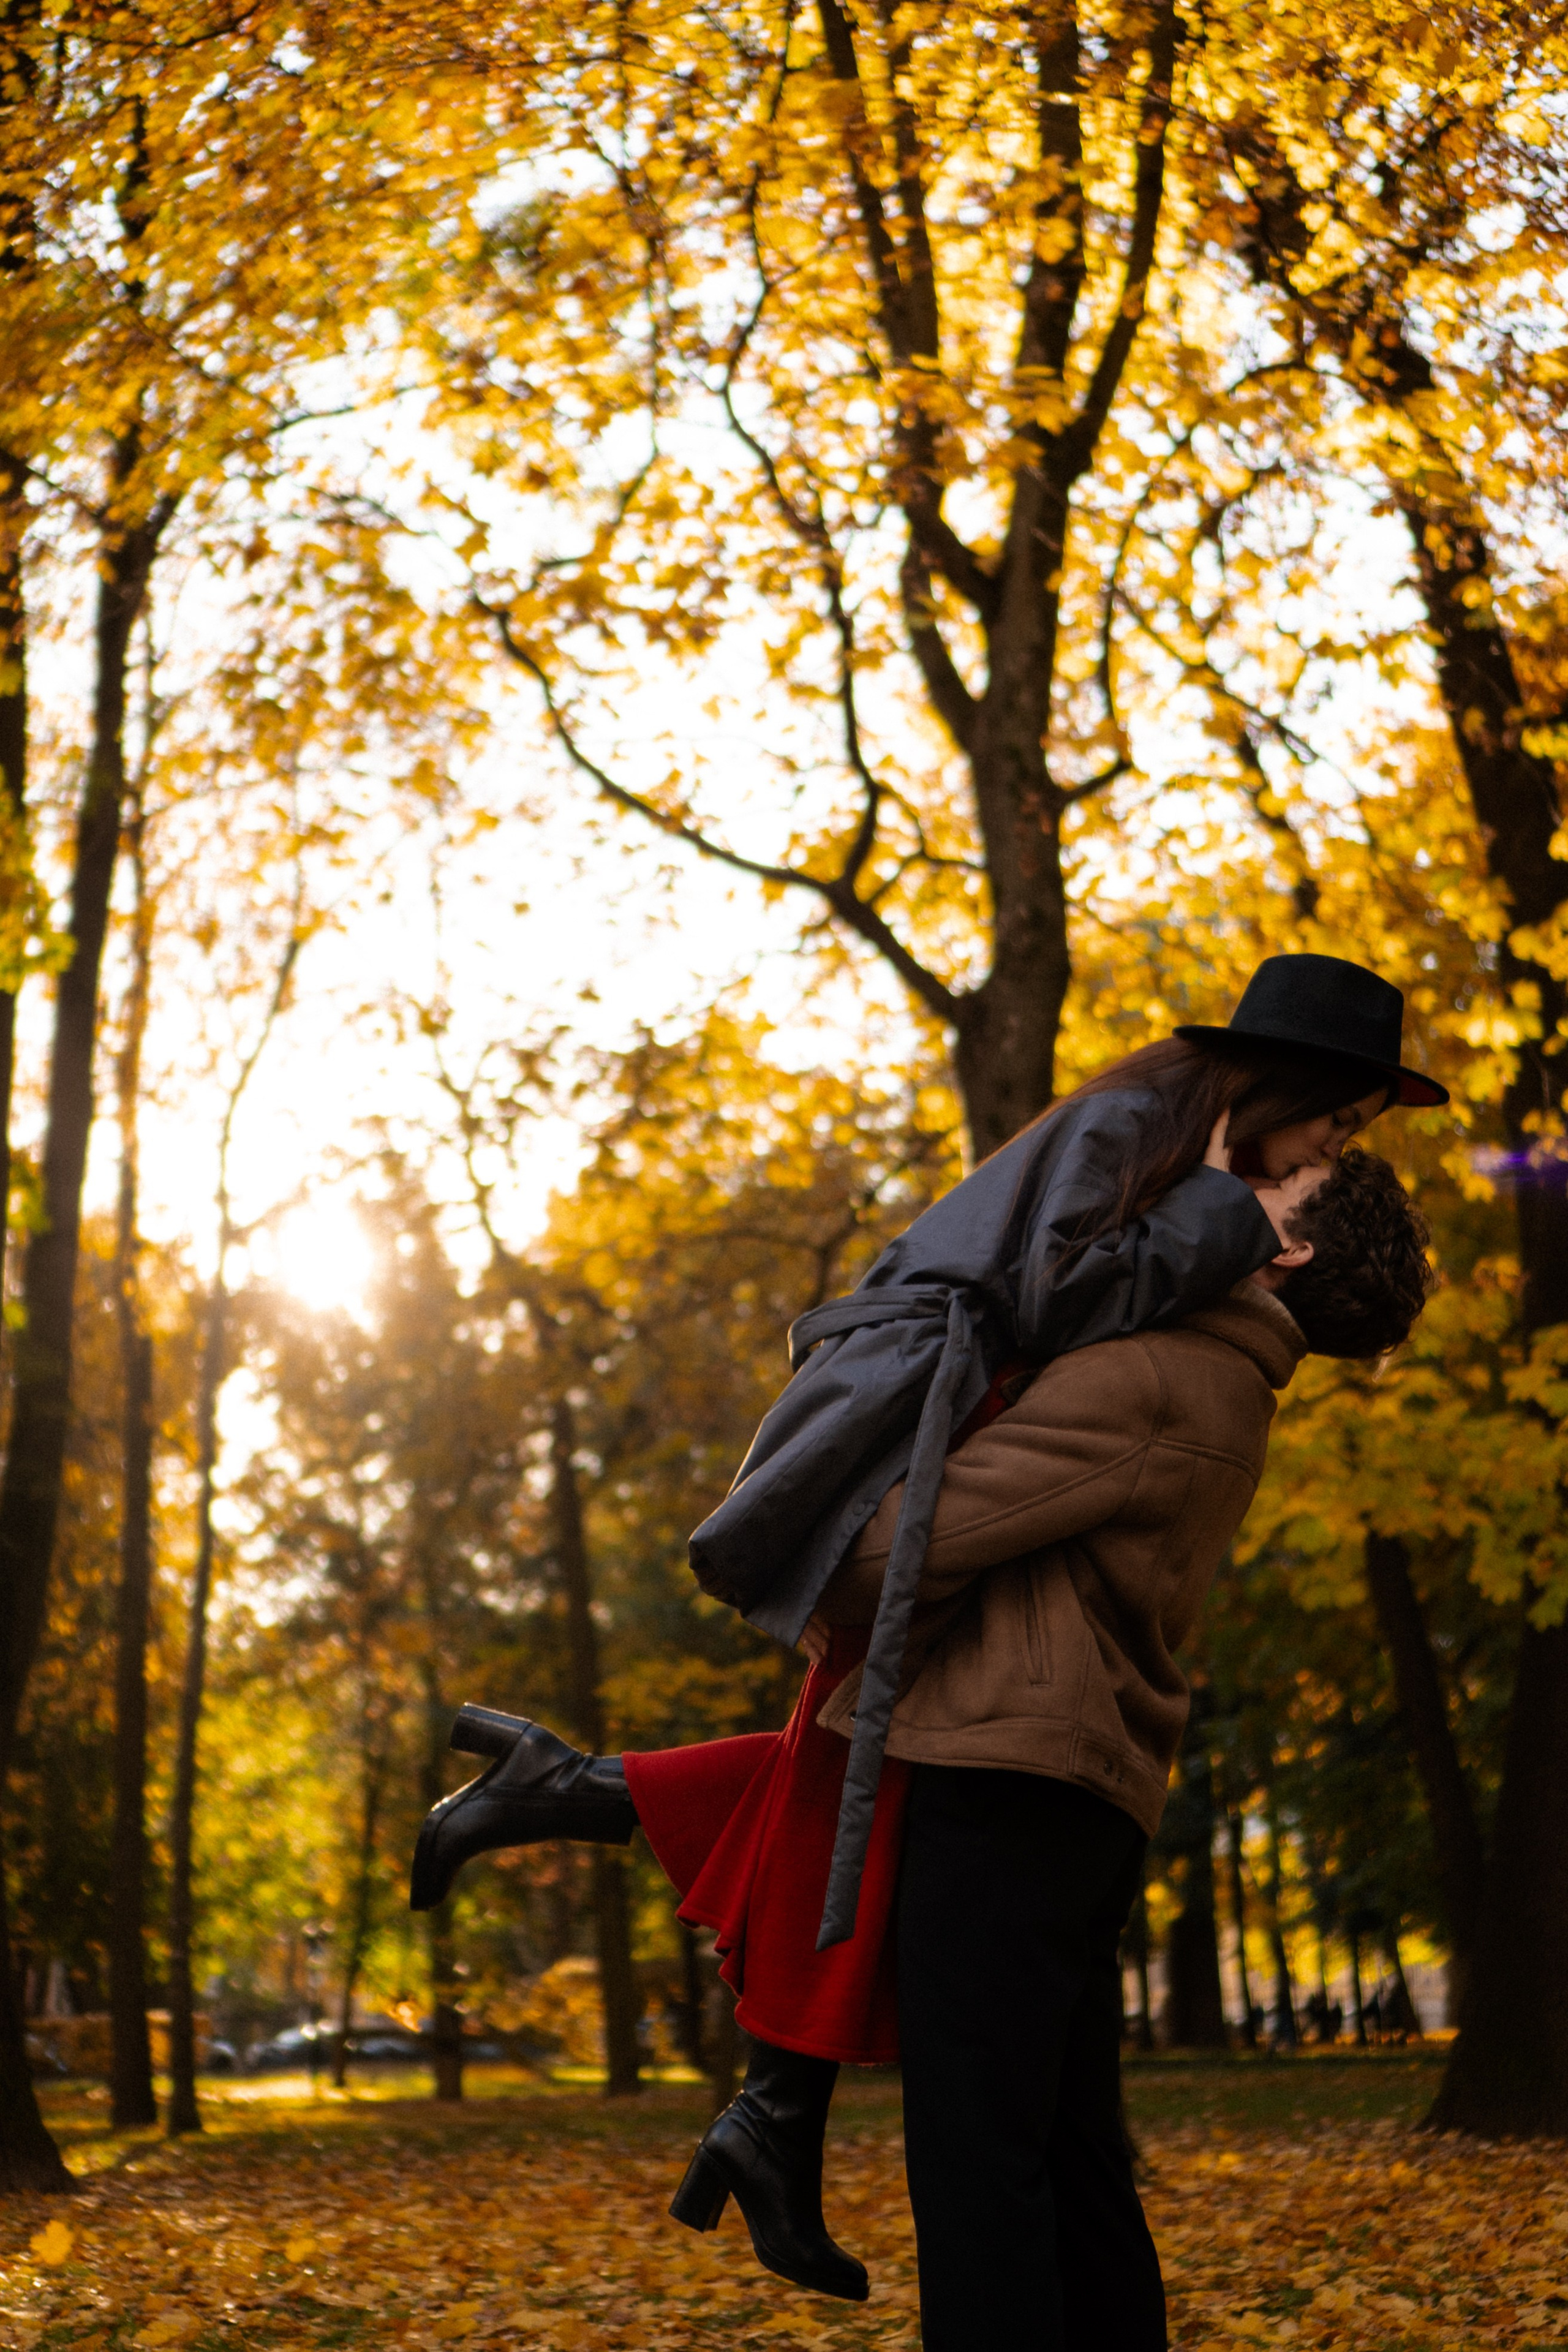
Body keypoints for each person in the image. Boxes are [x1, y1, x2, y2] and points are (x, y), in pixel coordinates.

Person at [409, 955, 1444, 2311]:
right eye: (1327, 1125)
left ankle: (715, 2029)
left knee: (982, 2170)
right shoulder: (1203, 1360)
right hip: (1065, 1784)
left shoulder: (1157, 1374)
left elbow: (884, 1560)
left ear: (1287, 1245)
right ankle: (655, 1934)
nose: (1285, 1160)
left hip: (1010, 1788)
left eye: (1305, 1169)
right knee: (1070, 2162)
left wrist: (851, 1506)